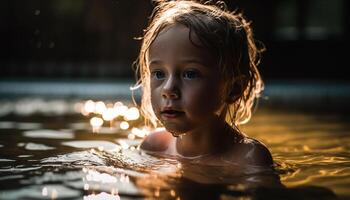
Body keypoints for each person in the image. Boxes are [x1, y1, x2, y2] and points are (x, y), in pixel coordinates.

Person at [133, 0, 273, 166]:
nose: (168, 88)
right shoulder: (154, 148)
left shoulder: (248, 159)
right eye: (159, 73)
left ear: (233, 89)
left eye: (190, 74)